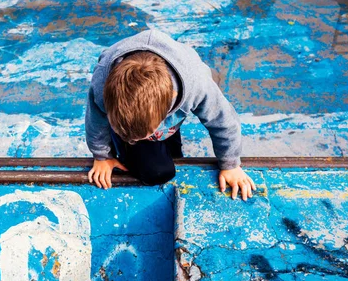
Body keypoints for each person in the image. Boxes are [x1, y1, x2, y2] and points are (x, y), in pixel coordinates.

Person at [85, 29, 255, 201]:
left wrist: (231, 165)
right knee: (156, 172)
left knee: (174, 155)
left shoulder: (197, 85)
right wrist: (102, 155)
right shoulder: (102, 83)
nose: (133, 139)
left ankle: (152, 135)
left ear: (170, 104)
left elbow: (224, 122)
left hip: (178, 83)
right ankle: (122, 141)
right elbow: (95, 118)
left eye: (141, 135)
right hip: (129, 100)